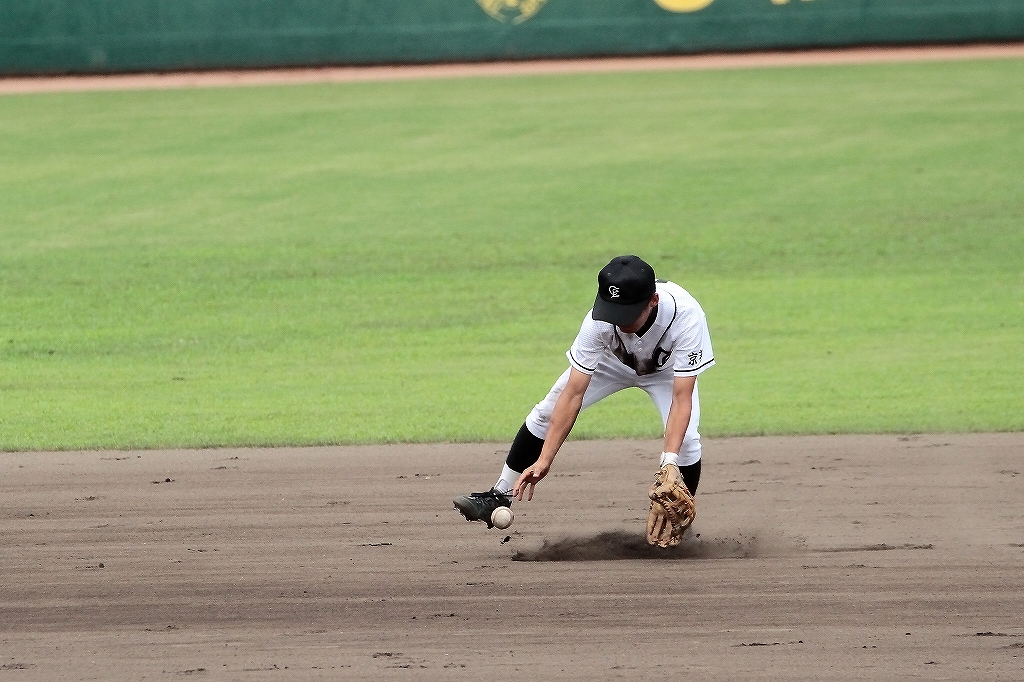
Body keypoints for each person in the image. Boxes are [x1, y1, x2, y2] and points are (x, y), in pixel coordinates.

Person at [453, 254, 715, 528]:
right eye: (614, 311)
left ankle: (674, 522)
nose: (619, 321)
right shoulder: (599, 321)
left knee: (685, 442)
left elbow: (681, 397)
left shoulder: (686, 317)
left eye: (627, 313)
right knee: (546, 411)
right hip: (611, 362)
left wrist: (669, 461)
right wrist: (544, 460)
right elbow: (573, 394)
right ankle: (500, 494)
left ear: (653, 301)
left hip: (667, 372)